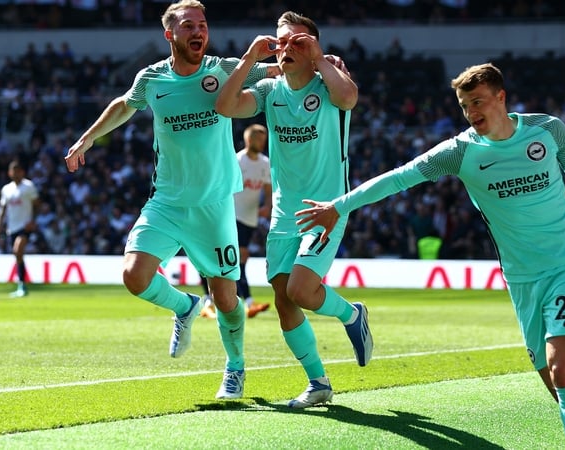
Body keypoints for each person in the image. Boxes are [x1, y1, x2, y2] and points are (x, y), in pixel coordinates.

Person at [296, 63, 565, 449]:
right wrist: (339, 206)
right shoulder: (460, 152)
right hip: (521, 278)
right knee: (561, 386)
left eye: (477, 102)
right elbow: (399, 176)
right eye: (463, 106)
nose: (471, 113)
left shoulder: (548, 129)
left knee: (561, 368)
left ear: (501, 98)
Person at [64, 0, 280, 400]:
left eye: (202, 24)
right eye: (187, 26)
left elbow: (278, 70)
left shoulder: (223, 69)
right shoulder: (152, 78)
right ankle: (184, 306)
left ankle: (235, 367)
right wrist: (87, 138)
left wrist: (315, 60)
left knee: (228, 299)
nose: (198, 31)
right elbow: (124, 105)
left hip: (214, 205)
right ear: (170, 35)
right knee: (134, 276)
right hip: (166, 200)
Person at [215, 11, 373, 409]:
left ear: (315, 48)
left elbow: (350, 97)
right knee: (284, 299)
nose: (287, 48)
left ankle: (351, 316)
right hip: (285, 214)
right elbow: (226, 105)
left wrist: (320, 58)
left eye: (297, 42)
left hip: (327, 208)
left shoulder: (328, 84)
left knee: (300, 290)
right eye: (282, 41)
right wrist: (251, 59)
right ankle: (318, 382)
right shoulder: (270, 90)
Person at [200, 123, 272, 319]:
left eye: (264, 139)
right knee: (237, 258)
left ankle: (213, 301)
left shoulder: (265, 163)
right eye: (259, 138)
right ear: (249, 140)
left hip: (250, 220)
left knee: (235, 260)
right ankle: (245, 302)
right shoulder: (237, 160)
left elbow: (267, 189)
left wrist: (267, 206)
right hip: (232, 216)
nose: (262, 142)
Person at [0, 160, 39, 298]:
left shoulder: (28, 186)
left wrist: (32, 221)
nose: (15, 173)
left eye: (18, 171)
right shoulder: (7, 189)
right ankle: (22, 285)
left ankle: (22, 285)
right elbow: (2, 210)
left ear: (22, 172)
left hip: (25, 226)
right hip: (12, 227)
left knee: (17, 250)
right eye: (13, 171)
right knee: (18, 256)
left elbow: (36, 204)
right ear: (9, 173)